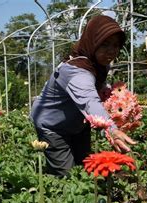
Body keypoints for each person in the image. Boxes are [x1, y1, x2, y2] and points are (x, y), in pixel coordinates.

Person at [30, 15, 136, 177]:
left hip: (78, 123)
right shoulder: (76, 71)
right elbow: (89, 101)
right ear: (92, 42)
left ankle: (87, 197)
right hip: (53, 126)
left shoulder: (99, 65)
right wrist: (112, 130)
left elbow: (94, 89)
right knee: (67, 175)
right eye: (105, 44)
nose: (111, 51)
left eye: (116, 45)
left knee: (86, 165)